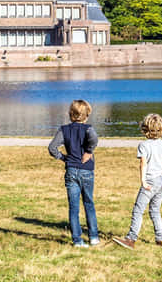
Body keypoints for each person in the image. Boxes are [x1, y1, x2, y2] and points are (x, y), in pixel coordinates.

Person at [112, 113, 162, 250]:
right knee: (155, 210)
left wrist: (143, 181)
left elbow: (143, 164)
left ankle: (131, 239)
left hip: (150, 181)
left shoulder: (143, 145)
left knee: (138, 211)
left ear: (145, 129)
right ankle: (160, 239)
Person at [48, 99, 99, 247]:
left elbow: (52, 148)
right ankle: (94, 237)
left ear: (70, 114)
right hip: (87, 171)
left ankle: (77, 240)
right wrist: (89, 151)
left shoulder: (64, 129)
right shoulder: (89, 129)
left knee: (73, 207)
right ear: (87, 115)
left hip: (71, 171)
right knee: (89, 203)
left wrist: (64, 158)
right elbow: (94, 139)